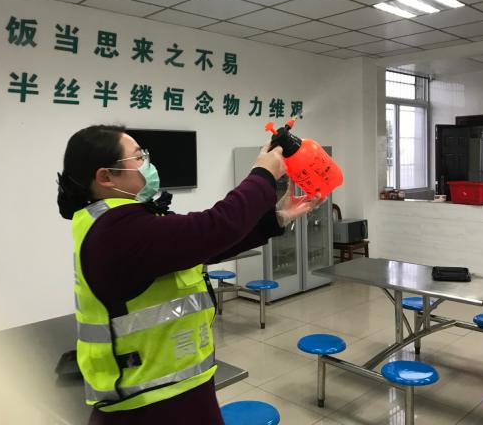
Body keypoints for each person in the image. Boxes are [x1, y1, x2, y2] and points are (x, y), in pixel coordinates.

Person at [57, 124, 322, 424]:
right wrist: (263, 174)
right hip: (149, 406)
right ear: (105, 177)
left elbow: (202, 248)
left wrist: (278, 217)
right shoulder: (117, 230)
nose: (147, 163)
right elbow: (215, 227)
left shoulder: (124, 221)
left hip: (172, 390)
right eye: (138, 157)